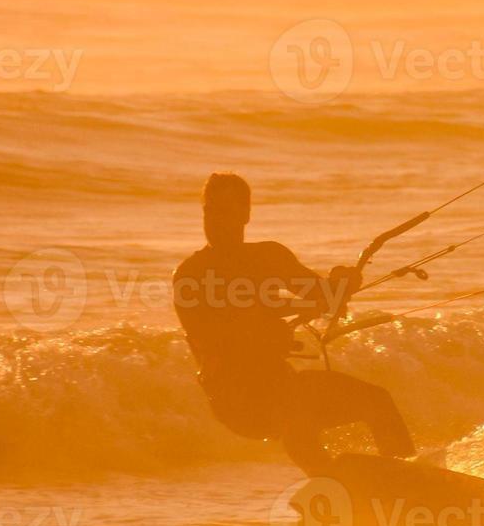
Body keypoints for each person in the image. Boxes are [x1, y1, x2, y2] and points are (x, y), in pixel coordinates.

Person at [173, 172, 416, 473]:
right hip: (235, 397)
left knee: (377, 401)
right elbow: (210, 334)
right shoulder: (191, 275)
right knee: (294, 410)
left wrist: (341, 284)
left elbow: (323, 295)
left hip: (279, 381)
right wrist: (277, 314)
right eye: (209, 211)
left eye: (224, 211)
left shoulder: (269, 256)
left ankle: (405, 479)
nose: (214, 220)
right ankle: (332, 482)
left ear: (245, 214)